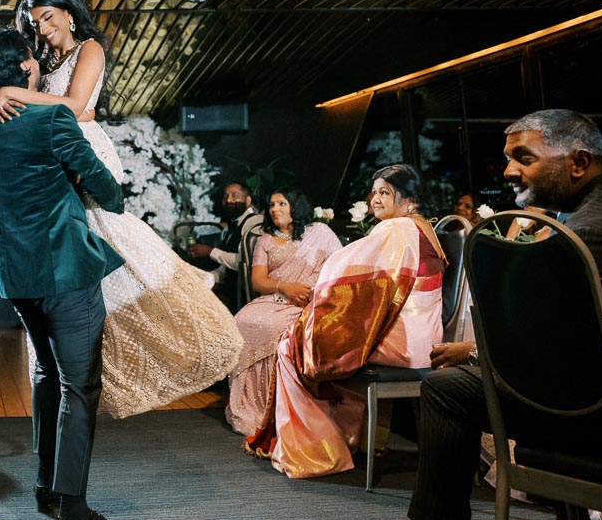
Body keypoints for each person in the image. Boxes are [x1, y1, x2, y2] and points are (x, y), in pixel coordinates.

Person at [354, 110, 602, 520]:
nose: (509, 171)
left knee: (448, 388)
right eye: (508, 159)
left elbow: (549, 344)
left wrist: (475, 353)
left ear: (578, 161)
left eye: (525, 159)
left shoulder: (598, 232)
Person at [0, 0, 243, 418]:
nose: (43, 29)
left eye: (48, 17)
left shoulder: (90, 49)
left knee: (111, 236)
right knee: (78, 243)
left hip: (81, 146)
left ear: (68, 13)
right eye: (34, 23)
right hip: (56, 150)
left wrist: (12, 93)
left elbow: (74, 105)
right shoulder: (42, 61)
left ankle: (163, 307)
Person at [0, 25, 143, 520]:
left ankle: (48, 487)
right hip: (63, 272)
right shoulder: (51, 117)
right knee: (80, 386)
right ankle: (74, 514)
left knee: (48, 373)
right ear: (25, 66)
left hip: (14, 278)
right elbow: (108, 191)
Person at [245, 163, 445, 478]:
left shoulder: (397, 229)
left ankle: (321, 449)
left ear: (411, 201)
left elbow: (346, 272)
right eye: (375, 192)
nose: (376, 199)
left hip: (403, 344)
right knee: (318, 340)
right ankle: (347, 438)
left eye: (385, 193)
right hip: (424, 340)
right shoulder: (421, 226)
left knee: (291, 349)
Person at [226, 189, 341, 435]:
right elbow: (258, 281)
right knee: (241, 321)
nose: (275, 209)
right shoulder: (265, 239)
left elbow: (337, 272)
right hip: (273, 298)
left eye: (281, 203)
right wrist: (285, 286)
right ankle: (253, 406)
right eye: (271, 205)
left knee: (275, 328)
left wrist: (311, 294)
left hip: (309, 303)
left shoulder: (319, 233)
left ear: (296, 206)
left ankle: (281, 409)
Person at [189, 181, 261, 308]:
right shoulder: (229, 228)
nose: (229, 200)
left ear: (248, 200)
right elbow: (226, 269)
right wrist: (210, 277)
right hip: (230, 290)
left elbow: (242, 262)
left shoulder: (255, 222)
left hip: (246, 296)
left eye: (235, 195)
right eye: (226, 196)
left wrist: (210, 251)